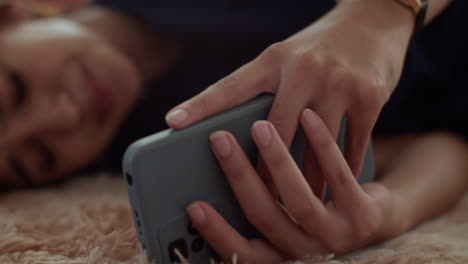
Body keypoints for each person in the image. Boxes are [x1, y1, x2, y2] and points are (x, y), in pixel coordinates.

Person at [0, 0, 467, 262]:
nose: (60, 119)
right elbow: (439, 143)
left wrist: (378, 16)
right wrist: (389, 213)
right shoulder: (169, 153)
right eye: (39, 156)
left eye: (14, 92)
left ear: (9, 15)